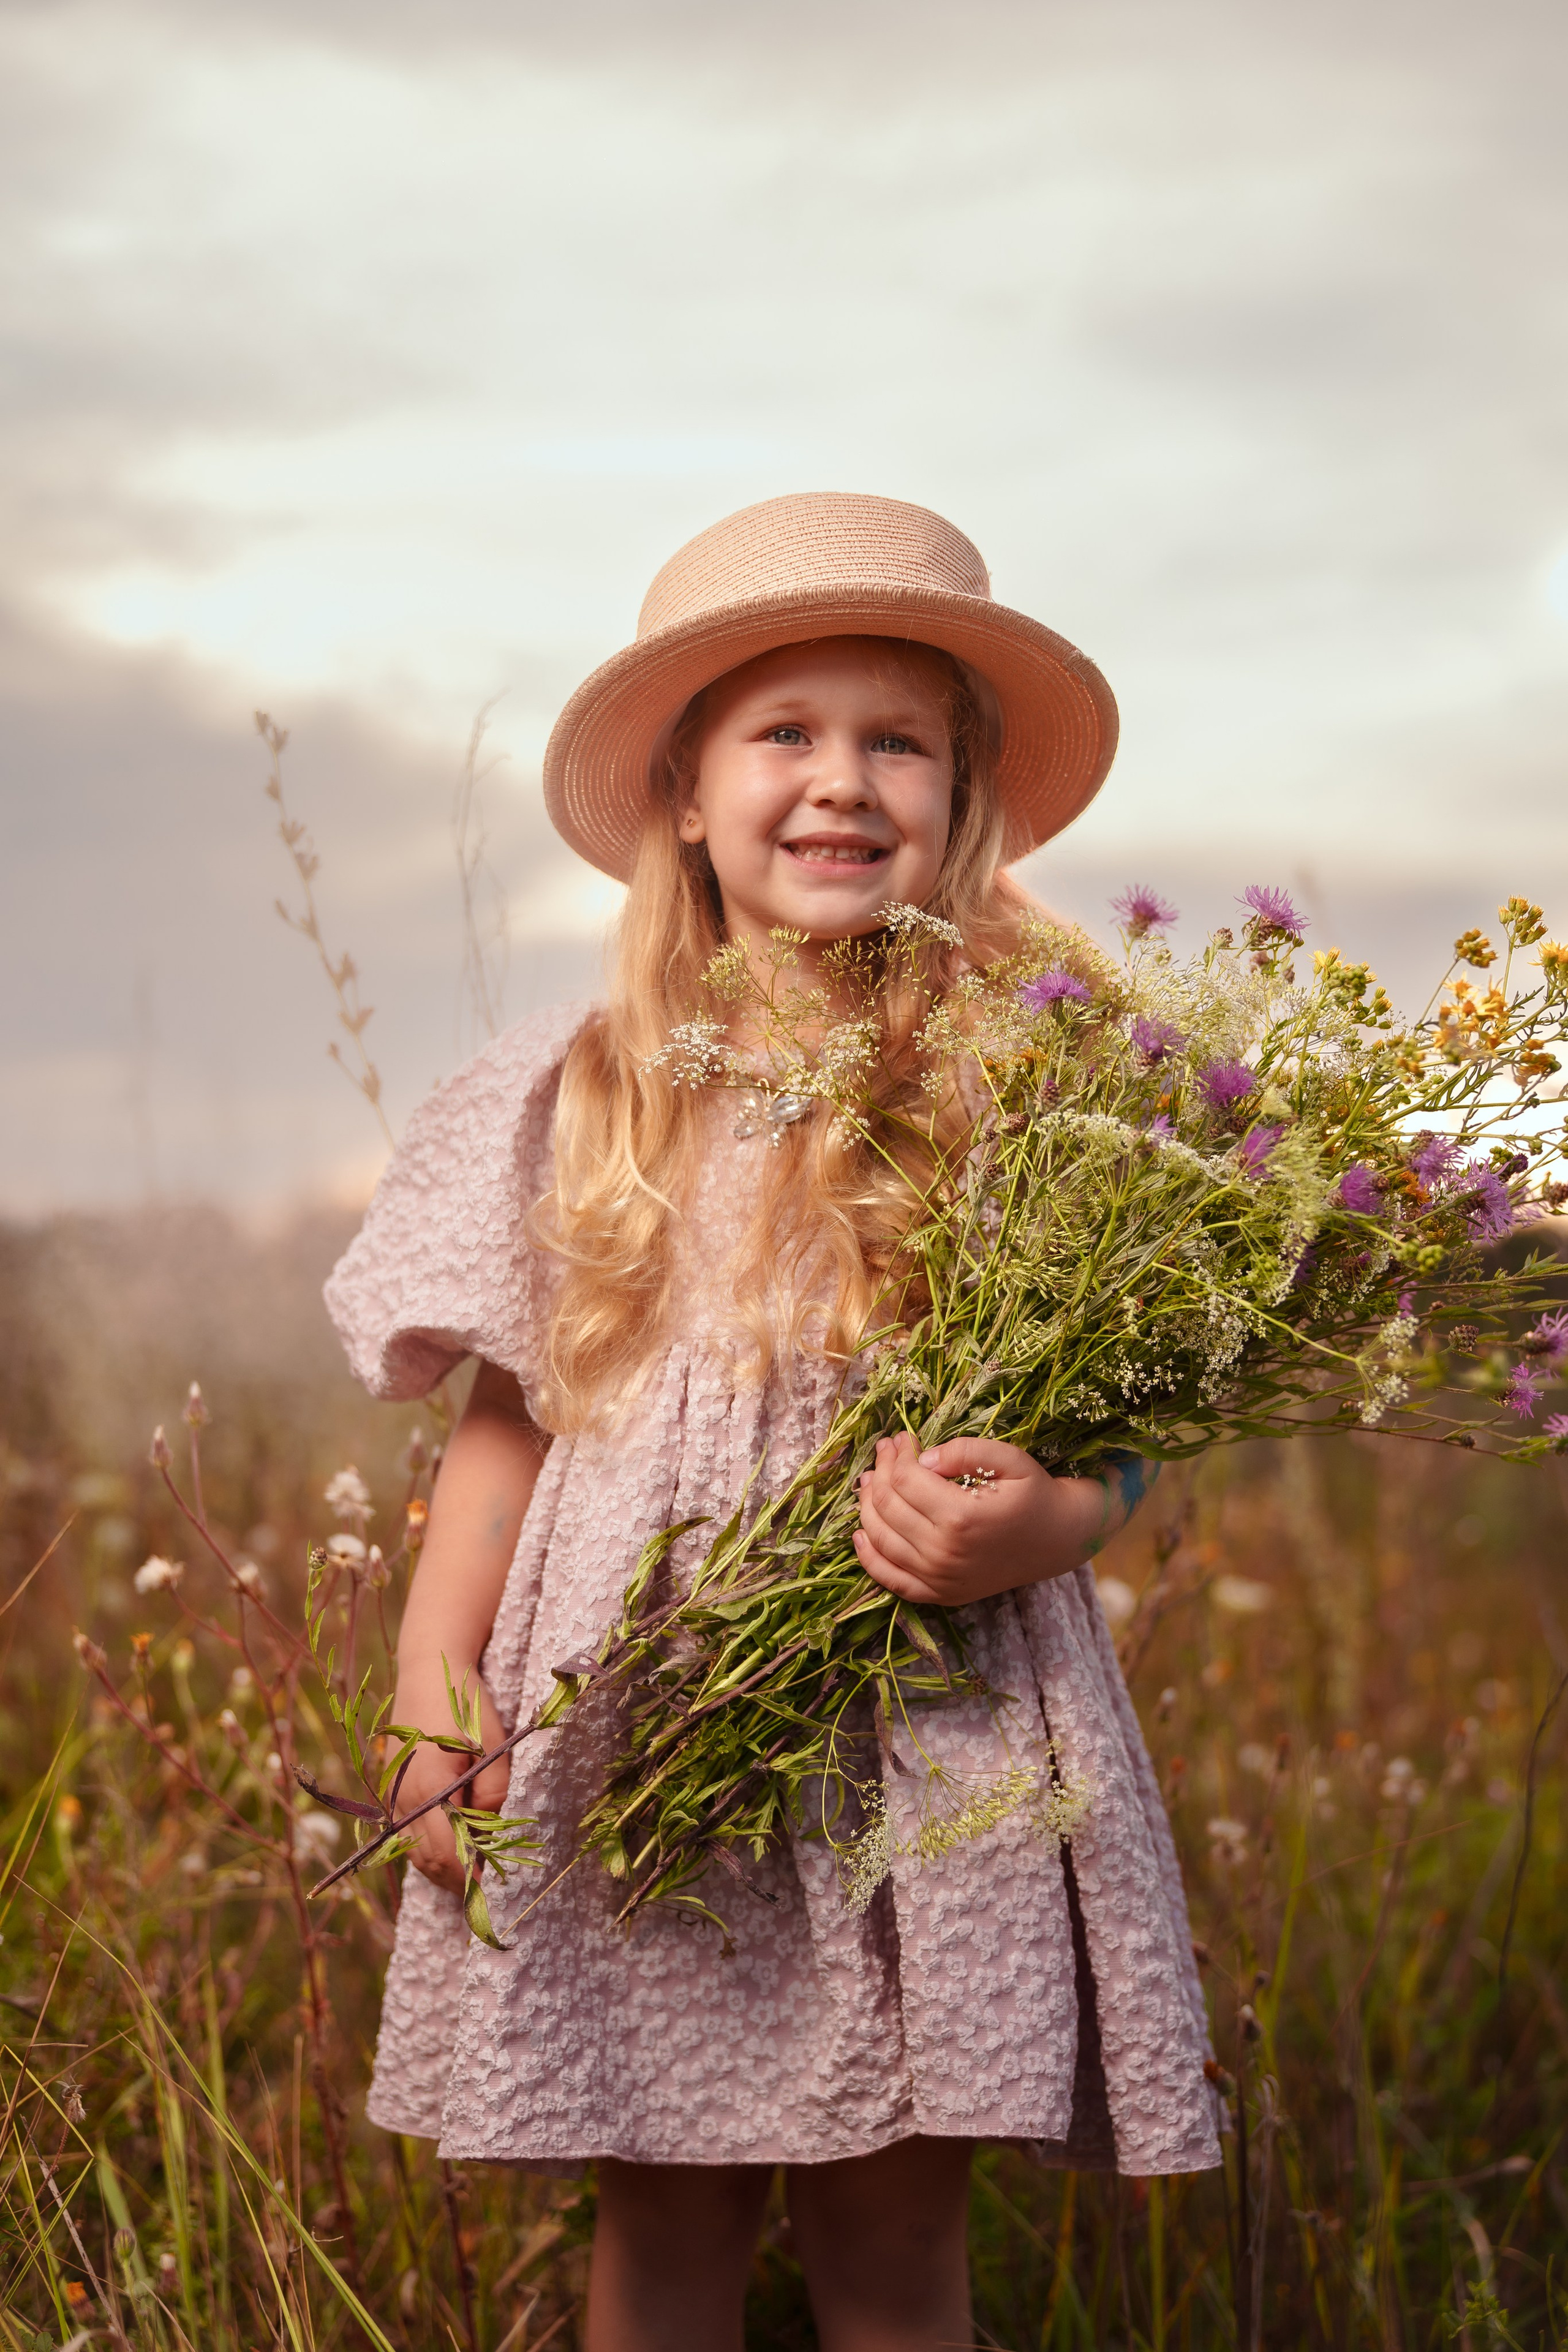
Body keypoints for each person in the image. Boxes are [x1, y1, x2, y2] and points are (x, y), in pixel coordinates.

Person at [325, 493, 1219, 2352]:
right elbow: (515, 1420)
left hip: (933, 1719)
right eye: (785, 733)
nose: (842, 781)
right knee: (665, 2242)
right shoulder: (579, 1094)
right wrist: (432, 1669)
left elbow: (1130, 1420)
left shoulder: (1033, 1092)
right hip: (654, 1708)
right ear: (682, 787)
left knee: (897, 2257)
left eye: (898, 739)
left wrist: (1053, 1523)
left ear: (961, 797)